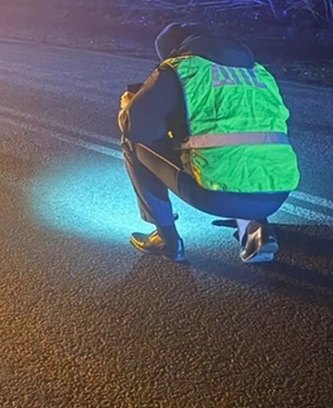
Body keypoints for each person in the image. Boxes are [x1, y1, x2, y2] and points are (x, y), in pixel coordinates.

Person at [118, 22, 301, 263]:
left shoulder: (179, 68)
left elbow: (137, 127)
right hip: (277, 193)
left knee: (132, 143)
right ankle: (256, 229)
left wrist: (130, 106)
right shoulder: (258, 72)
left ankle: (166, 238)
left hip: (215, 194)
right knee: (245, 154)